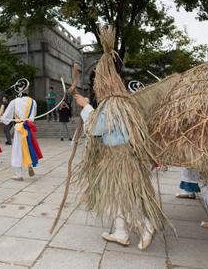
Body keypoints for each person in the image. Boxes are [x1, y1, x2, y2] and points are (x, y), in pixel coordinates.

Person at [72, 26, 162, 251]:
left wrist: (85, 107)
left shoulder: (111, 104)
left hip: (117, 158)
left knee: (119, 195)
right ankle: (120, 232)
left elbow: (95, 128)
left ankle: (144, 224)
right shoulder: (126, 101)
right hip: (127, 156)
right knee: (115, 194)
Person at [0, 79, 43, 180]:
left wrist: (0, 117)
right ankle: (29, 166)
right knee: (29, 146)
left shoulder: (14, 102)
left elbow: (6, 117)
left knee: (18, 150)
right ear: (27, 89)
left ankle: (19, 174)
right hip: (28, 127)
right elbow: (34, 115)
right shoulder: (33, 102)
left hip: (19, 128)